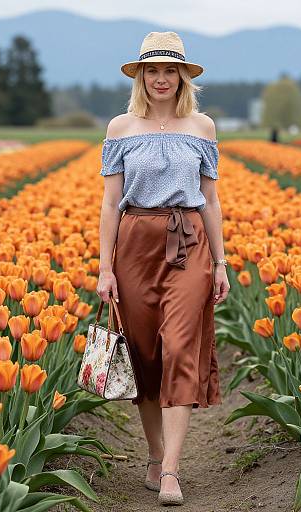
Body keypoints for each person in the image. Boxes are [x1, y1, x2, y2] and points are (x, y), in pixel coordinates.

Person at [96, 31, 229, 506]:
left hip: (188, 243)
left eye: (169, 70)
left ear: (182, 77)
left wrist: (219, 261)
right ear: (141, 76)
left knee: (179, 347)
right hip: (134, 245)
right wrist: (104, 269)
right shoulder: (120, 129)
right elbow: (111, 204)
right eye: (152, 70)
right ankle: (154, 456)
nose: (160, 79)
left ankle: (171, 470)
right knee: (145, 353)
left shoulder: (203, 128)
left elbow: (210, 199)